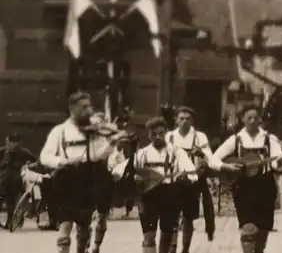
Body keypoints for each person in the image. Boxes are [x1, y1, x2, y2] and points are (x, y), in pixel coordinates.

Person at [39, 92, 128, 253]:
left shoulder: (94, 131)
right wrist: (62, 161)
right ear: (72, 109)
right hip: (66, 178)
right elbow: (45, 156)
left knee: (84, 224)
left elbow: (96, 156)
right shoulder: (60, 131)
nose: (90, 111)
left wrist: (111, 145)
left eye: (89, 106)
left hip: (89, 178)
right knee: (65, 223)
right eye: (84, 107)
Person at [212, 104, 282, 253]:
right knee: (248, 228)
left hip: (265, 185)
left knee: (263, 229)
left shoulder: (269, 139)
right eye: (249, 118)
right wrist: (226, 167)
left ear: (260, 119)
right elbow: (213, 159)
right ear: (243, 120)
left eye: (256, 118)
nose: (253, 121)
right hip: (243, 187)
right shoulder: (235, 140)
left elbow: (275, 163)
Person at [130, 116, 198, 253]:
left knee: (167, 235)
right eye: (154, 134)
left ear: (166, 132)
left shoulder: (177, 152)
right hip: (148, 196)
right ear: (148, 134)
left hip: (170, 195)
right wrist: (136, 178)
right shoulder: (141, 154)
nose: (158, 137)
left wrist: (183, 176)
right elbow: (131, 175)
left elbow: (193, 174)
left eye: (161, 133)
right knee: (148, 236)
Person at [165, 106, 216, 253]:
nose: (184, 121)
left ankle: (185, 248)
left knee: (188, 217)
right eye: (181, 118)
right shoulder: (170, 137)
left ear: (192, 120)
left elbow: (210, 158)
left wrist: (200, 153)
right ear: (176, 120)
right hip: (174, 180)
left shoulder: (200, 137)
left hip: (193, 181)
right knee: (172, 215)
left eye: (188, 118)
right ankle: (172, 247)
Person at [87, 113, 127, 253]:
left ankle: (96, 246)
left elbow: (119, 162)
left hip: (104, 179)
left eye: (98, 124)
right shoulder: (86, 141)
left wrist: (117, 171)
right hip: (88, 179)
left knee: (102, 216)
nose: (95, 127)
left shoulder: (111, 141)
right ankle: (84, 246)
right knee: (85, 216)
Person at [0, 134, 37, 229]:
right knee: (6, 200)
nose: (8, 145)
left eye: (10, 142)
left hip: (14, 178)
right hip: (3, 178)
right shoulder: (3, 151)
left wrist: (28, 165)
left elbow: (36, 160)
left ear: (16, 143)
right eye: (7, 143)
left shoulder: (23, 152)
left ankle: (10, 222)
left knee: (11, 201)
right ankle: (12, 221)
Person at [21, 160, 58, 230]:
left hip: (51, 186)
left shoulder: (53, 163)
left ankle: (53, 223)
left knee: (51, 204)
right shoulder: (43, 163)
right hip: (46, 185)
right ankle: (52, 223)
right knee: (48, 204)